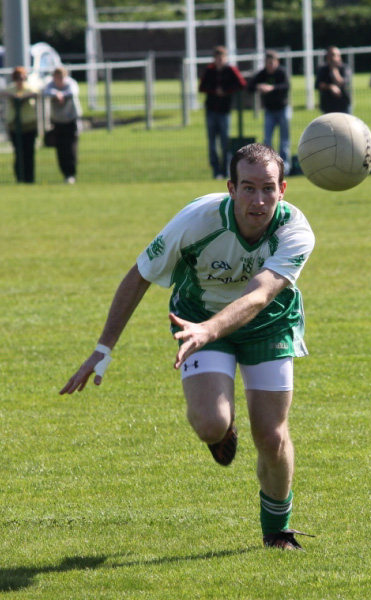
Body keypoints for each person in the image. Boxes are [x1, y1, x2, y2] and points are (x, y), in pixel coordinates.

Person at [60, 143, 316, 551]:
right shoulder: (196, 220)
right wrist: (103, 348)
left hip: (268, 324)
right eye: (248, 188)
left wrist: (210, 331)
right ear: (230, 188)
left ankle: (277, 530)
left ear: (283, 189)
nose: (259, 199)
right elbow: (140, 274)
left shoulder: (295, 230)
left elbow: (258, 296)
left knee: (271, 436)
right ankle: (222, 424)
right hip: (195, 317)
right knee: (210, 424)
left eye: (268, 188)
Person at [199, 46, 247, 179]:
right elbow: (202, 87)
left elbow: (241, 84)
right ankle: (216, 171)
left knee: (225, 142)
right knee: (212, 143)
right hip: (211, 110)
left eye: (222, 57)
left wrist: (226, 91)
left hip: (224, 111)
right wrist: (215, 91)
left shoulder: (230, 70)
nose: (220, 60)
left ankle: (226, 170)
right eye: (217, 58)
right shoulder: (210, 70)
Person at [248, 50, 291, 175]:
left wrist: (272, 88)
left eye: (272, 63)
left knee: (284, 141)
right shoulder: (262, 74)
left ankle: (285, 167)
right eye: (267, 63)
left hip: (283, 109)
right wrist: (259, 87)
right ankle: (268, 166)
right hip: (269, 111)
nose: (270, 65)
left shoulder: (281, 73)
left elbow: (286, 86)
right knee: (267, 140)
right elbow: (250, 87)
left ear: (276, 62)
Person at [43, 66, 82, 184]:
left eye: (60, 77)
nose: (58, 79)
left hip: (71, 121)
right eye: (56, 77)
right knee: (60, 149)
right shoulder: (51, 85)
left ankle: (71, 174)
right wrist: (56, 94)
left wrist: (62, 95)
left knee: (70, 148)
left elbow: (73, 91)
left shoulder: (71, 84)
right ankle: (65, 174)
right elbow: (45, 92)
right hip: (57, 122)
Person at [0, 66, 38, 183]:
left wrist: (22, 97)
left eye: (22, 77)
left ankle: (29, 178)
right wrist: (14, 97)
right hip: (15, 126)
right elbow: (3, 93)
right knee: (18, 153)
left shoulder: (29, 88)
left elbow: (36, 93)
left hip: (29, 124)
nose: (20, 80)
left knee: (29, 153)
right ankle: (19, 178)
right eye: (18, 78)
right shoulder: (11, 89)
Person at [315, 46, 352, 114]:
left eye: (334, 55)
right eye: (330, 55)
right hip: (327, 105)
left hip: (343, 104)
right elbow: (318, 84)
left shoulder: (345, 68)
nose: (332, 58)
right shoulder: (322, 69)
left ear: (339, 57)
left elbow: (342, 83)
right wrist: (330, 87)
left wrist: (334, 69)